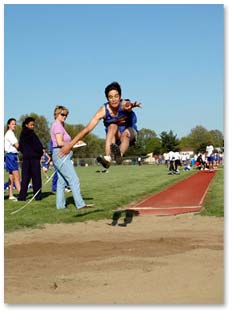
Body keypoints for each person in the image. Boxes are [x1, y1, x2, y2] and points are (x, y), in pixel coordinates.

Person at [58, 82, 141, 168]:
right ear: (107, 99)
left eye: (116, 96)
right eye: (110, 97)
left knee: (126, 133)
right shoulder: (103, 111)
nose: (114, 99)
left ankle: (119, 155)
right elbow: (86, 130)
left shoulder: (123, 104)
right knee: (112, 126)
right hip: (114, 137)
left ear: (120, 97)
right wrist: (70, 145)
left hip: (130, 133)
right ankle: (107, 158)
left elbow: (126, 104)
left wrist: (129, 106)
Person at [50, 105, 93, 210]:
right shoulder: (57, 126)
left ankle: (60, 207)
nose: (65, 116)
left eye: (66, 115)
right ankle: (80, 204)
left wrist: (76, 142)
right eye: (62, 114)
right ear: (56, 114)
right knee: (74, 180)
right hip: (61, 154)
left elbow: (65, 142)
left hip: (60, 154)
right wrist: (74, 145)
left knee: (62, 182)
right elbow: (60, 142)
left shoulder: (59, 125)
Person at [18, 117, 43, 201]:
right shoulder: (31, 134)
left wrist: (25, 152)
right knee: (36, 178)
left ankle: (22, 196)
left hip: (26, 158)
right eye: (31, 125)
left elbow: (20, 147)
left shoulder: (22, 134)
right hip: (34, 159)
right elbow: (37, 146)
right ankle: (37, 196)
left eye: (33, 125)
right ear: (26, 125)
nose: (32, 126)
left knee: (25, 178)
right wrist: (40, 153)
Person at [4, 118, 21, 201]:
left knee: (11, 176)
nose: (14, 125)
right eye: (12, 124)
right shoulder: (10, 134)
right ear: (9, 125)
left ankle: (11, 195)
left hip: (11, 156)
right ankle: (21, 195)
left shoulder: (10, 133)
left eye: (15, 124)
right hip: (11, 156)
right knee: (17, 176)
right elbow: (17, 145)